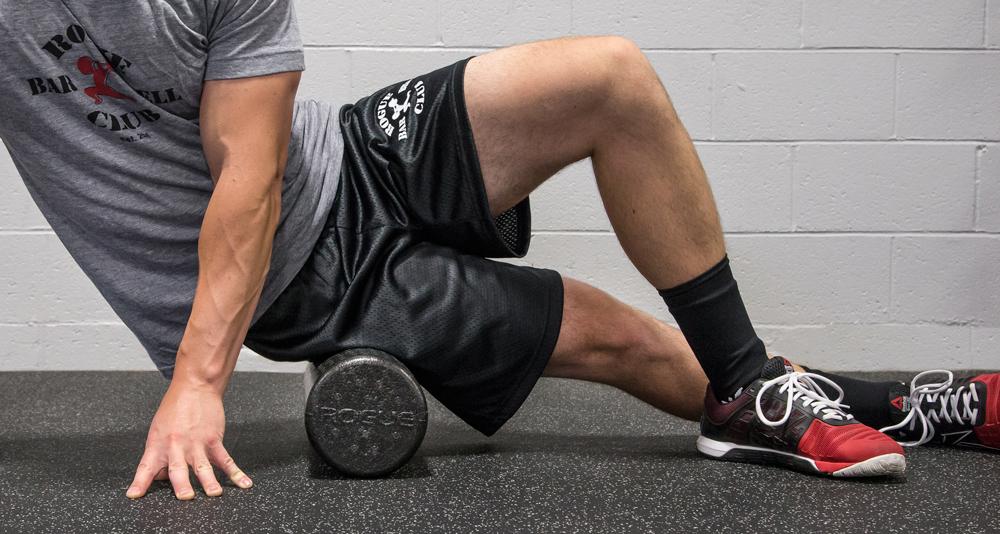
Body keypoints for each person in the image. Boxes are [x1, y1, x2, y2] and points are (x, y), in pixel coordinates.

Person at [0, 1, 994, 501]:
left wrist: (197, 379)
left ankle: (750, 389)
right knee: (631, 345)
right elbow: (250, 216)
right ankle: (904, 406)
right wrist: (198, 376)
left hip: (355, 161)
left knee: (609, 74)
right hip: (314, 287)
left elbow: (251, 170)